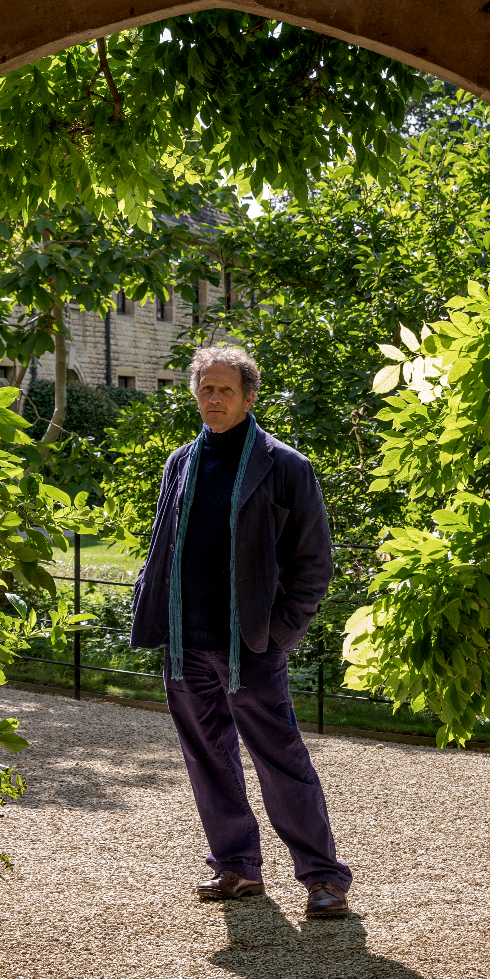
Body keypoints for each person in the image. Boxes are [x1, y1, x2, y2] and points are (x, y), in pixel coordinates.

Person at [130, 345, 352, 919]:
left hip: (251, 646)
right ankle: (236, 866)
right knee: (208, 760)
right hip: (186, 644)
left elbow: (313, 564)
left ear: (249, 398)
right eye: (206, 388)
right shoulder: (180, 462)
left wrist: (279, 635)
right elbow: (162, 545)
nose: (214, 398)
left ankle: (323, 878)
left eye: (226, 389)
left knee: (281, 761)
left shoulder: (285, 466)